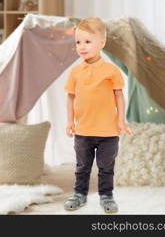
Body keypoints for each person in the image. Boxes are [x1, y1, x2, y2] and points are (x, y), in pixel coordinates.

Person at [63, 17, 133, 213]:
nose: (82, 47)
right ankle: (79, 195)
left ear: (101, 43)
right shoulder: (75, 72)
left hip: (108, 133)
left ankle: (106, 196)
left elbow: (119, 97)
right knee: (82, 167)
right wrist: (70, 121)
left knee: (106, 168)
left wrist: (121, 120)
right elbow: (70, 98)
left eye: (87, 41)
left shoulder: (111, 71)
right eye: (78, 42)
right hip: (83, 131)